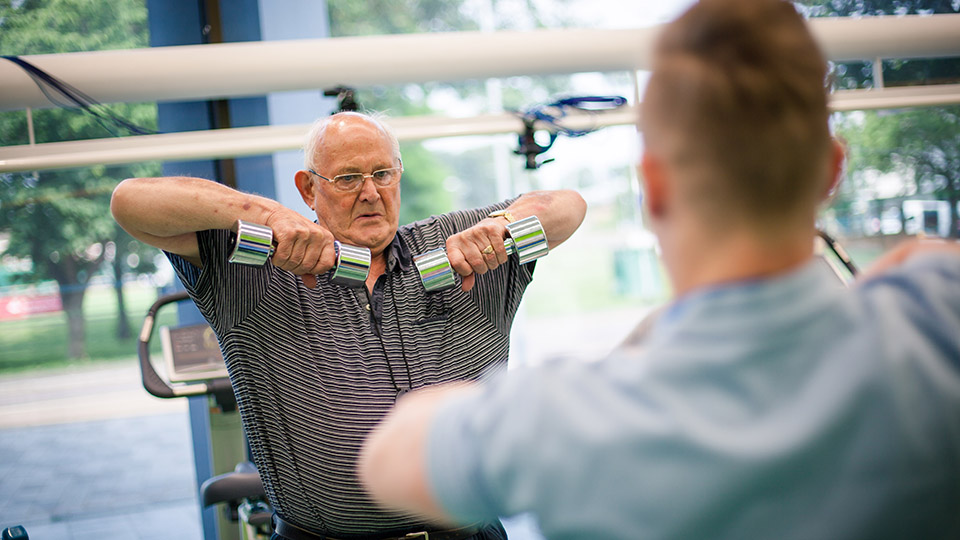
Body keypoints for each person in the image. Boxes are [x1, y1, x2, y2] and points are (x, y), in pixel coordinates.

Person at [357, 1, 960, 539]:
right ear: (831, 170)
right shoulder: (933, 319)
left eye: (383, 174)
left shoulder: (566, 419)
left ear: (654, 185)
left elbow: (388, 457)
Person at [110, 111, 587, 540]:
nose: (370, 192)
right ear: (308, 189)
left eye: (383, 173)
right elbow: (130, 202)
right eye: (347, 178)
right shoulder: (253, 264)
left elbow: (568, 206)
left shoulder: (462, 248)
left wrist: (504, 225)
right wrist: (268, 215)